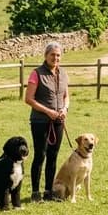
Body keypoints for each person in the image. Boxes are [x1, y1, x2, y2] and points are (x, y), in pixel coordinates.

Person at [25, 42, 69, 201]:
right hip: (40, 121)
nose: (55, 58)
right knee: (40, 155)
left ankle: (48, 191)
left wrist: (65, 109)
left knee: (53, 155)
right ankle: (35, 192)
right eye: (52, 55)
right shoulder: (36, 73)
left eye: (58, 55)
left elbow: (66, 96)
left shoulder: (63, 73)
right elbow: (28, 99)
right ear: (46, 55)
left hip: (58, 120)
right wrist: (47, 111)